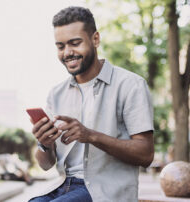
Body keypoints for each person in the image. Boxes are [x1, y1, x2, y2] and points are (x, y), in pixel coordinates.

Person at [29, 6, 154, 202]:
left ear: (95, 39)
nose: (67, 52)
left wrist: (91, 135)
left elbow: (146, 154)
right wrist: (44, 144)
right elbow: (46, 165)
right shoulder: (56, 94)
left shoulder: (131, 85)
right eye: (60, 46)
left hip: (104, 191)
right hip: (63, 185)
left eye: (75, 43)